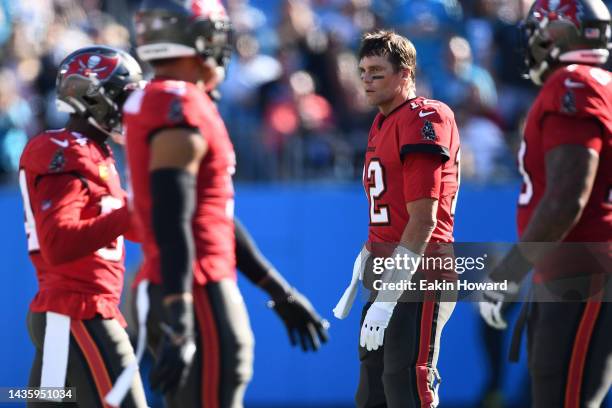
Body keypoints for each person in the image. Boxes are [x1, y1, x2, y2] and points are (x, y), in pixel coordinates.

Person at [123, 1, 328, 407]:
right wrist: (181, 319)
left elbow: (209, 216)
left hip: (191, 281)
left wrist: (279, 292)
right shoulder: (178, 101)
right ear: (192, 38)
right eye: (214, 34)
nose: (221, 46)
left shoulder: (169, 98)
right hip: (195, 286)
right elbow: (173, 216)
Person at [479, 0, 612, 406]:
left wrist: (509, 273)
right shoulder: (600, 83)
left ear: (559, 33)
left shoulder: (571, 82)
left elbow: (567, 197)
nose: (532, 41)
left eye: (539, 31)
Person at [334, 30, 460, 407]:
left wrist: (388, 297)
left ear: (405, 73)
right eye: (362, 71)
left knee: (407, 387)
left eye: (377, 71)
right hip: (387, 270)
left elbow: (423, 219)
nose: (367, 80)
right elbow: (391, 207)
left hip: (421, 272)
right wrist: (367, 256)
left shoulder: (425, 116)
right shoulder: (382, 121)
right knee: (372, 393)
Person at [18, 46, 147, 407]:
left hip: (72, 314)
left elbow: (124, 224)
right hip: (78, 312)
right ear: (93, 96)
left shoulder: (96, 152)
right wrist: (135, 209)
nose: (131, 107)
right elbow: (58, 242)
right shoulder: (63, 148)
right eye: (124, 95)